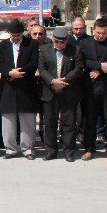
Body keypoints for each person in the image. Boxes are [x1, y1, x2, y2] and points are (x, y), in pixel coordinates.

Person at [79, 19, 107, 161]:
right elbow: (82, 61)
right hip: (90, 87)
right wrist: (99, 66)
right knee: (90, 119)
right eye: (98, 33)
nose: (100, 36)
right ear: (93, 30)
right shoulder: (85, 43)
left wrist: (102, 71)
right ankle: (89, 148)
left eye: (103, 33)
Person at [39, 26, 85, 161]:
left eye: (63, 42)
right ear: (53, 39)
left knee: (69, 123)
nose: (59, 45)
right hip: (50, 91)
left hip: (68, 90)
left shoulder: (75, 50)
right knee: (50, 122)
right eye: (57, 42)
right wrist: (53, 81)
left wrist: (64, 80)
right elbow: (42, 69)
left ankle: (69, 151)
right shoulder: (44, 49)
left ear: (67, 40)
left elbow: (78, 68)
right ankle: (50, 151)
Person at [0, 20, 40, 160]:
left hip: (26, 86)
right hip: (8, 87)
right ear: (9, 33)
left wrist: (19, 72)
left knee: (27, 119)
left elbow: (34, 63)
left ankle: (27, 149)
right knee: (8, 119)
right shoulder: (2, 46)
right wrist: (9, 73)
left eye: (18, 35)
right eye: (13, 35)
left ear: (22, 33)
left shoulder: (32, 44)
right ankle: (10, 149)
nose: (15, 37)